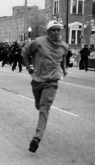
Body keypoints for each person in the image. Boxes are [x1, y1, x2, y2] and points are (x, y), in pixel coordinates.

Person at [21, 20, 68, 153]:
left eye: (58, 29)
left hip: (52, 82)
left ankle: (37, 138)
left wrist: (64, 69)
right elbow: (24, 52)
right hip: (37, 80)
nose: (56, 32)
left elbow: (63, 57)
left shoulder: (64, 46)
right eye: (53, 29)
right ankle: (39, 103)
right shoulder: (38, 42)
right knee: (38, 105)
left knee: (44, 108)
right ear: (47, 32)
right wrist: (29, 67)